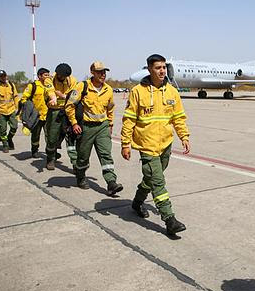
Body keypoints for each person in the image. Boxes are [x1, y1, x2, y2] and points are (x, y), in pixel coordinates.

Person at [121, 54, 190, 236]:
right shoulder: (138, 91)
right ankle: (169, 219)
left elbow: (178, 117)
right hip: (147, 145)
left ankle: (137, 202)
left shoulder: (172, 92)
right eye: (158, 68)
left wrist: (184, 136)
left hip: (166, 144)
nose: (162, 71)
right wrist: (125, 143)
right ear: (149, 69)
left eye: (164, 67)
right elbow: (129, 120)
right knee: (158, 182)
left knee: (151, 178)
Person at [65, 61, 123, 195]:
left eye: (104, 72)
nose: (103, 75)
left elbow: (110, 108)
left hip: (102, 127)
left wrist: (110, 124)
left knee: (106, 155)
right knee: (83, 156)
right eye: (99, 72)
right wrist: (74, 123)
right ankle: (80, 176)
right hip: (86, 127)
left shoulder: (108, 89)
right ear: (92, 72)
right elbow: (69, 106)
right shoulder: (82, 86)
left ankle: (111, 182)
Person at [44, 63, 78, 170]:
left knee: (71, 138)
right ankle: (50, 158)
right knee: (52, 137)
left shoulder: (72, 80)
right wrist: (54, 97)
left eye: (65, 77)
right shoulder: (49, 79)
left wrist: (62, 95)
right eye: (61, 76)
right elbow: (50, 90)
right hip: (54, 112)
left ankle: (75, 164)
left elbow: (73, 96)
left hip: (68, 111)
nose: (63, 78)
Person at [20, 67, 49, 157]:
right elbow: (24, 99)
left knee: (50, 136)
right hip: (36, 116)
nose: (47, 77)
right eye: (45, 75)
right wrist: (30, 109)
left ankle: (51, 153)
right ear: (39, 76)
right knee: (36, 135)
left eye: (48, 75)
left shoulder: (50, 86)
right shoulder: (32, 86)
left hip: (47, 115)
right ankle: (34, 150)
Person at [0, 70, 19, 153]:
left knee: (14, 127)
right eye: (1, 76)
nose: (3, 78)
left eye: (4, 76)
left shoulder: (11, 85)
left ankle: (9, 138)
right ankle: (5, 144)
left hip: (11, 110)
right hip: (1, 111)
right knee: (3, 130)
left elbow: (16, 97)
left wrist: (18, 109)